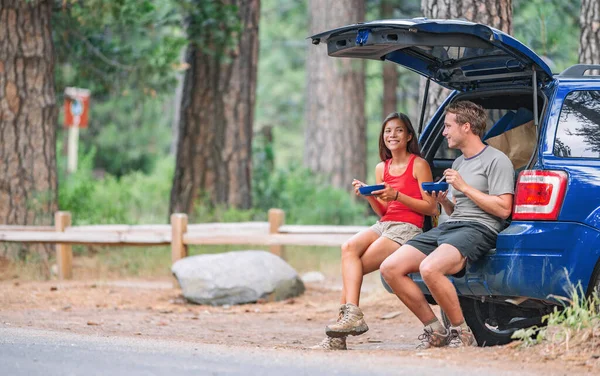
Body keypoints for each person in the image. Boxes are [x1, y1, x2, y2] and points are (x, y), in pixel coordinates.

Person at [380, 101, 515, 348]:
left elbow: (503, 209)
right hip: (453, 225)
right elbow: (458, 209)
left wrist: (464, 187)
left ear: (466, 127)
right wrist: (445, 202)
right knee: (390, 268)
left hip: (479, 227)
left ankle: (462, 333)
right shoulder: (459, 163)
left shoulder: (497, 160)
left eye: (448, 126)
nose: (444, 132)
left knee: (430, 268)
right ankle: (435, 329)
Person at [312, 112, 438, 350]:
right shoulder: (382, 168)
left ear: (409, 135)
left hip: (408, 227)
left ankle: (337, 337)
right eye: (388, 130)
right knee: (348, 249)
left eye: (399, 130)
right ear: (383, 136)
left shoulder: (418, 165)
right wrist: (370, 196)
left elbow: (431, 208)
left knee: (353, 273)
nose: (392, 135)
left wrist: (398, 195)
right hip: (385, 224)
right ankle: (350, 320)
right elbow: (384, 212)